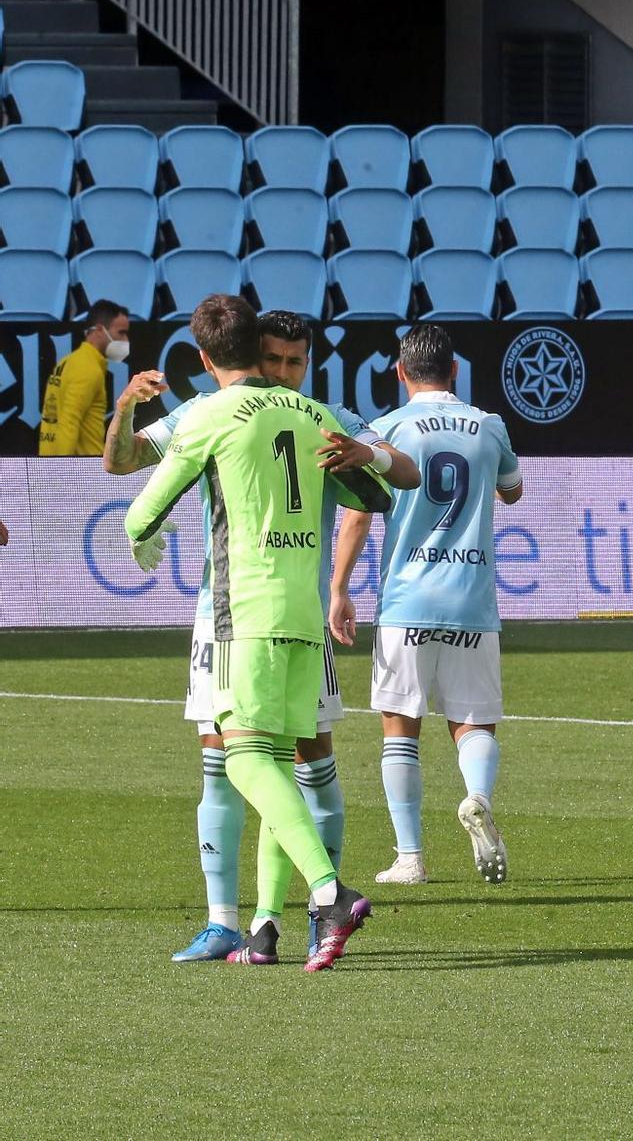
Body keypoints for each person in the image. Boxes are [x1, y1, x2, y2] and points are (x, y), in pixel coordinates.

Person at [105, 309, 417, 963]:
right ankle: (263, 926)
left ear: (202, 355)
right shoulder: (314, 416)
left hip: (242, 614)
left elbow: (139, 508)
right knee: (274, 761)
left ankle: (328, 892)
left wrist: (144, 533)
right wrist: (372, 456)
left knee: (242, 759)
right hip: (306, 617)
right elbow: (379, 496)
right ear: (259, 349)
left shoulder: (208, 414)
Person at [328, 324, 524, 887]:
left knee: (400, 728)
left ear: (400, 371)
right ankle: (478, 797)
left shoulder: (386, 428)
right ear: (455, 370)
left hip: (407, 598)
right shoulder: (487, 425)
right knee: (473, 724)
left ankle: (410, 857)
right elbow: (513, 489)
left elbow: (361, 512)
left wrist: (339, 589)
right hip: (472, 600)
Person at [39, 301, 130, 455]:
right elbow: (69, 423)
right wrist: (60, 470)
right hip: (82, 467)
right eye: (121, 332)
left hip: (54, 461)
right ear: (100, 330)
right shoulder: (89, 369)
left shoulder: (68, 361)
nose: (126, 340)